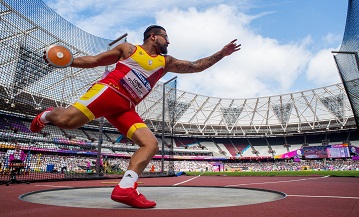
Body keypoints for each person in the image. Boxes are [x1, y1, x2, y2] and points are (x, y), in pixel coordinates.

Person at [30, 25, 241, 208]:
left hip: (126, 108)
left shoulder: (165, 62)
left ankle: (126, 188)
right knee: (68, 122)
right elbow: (95, 60)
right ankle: (47, 115)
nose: (169, 41)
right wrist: (69, 61)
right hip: (108, 91)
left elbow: (196, 66)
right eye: (166, 36)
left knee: (150, 144)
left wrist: (222, 53)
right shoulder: (129, 49)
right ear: (153, 37)